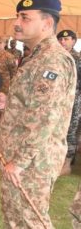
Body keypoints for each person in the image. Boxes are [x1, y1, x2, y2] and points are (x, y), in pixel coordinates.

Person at [0, 0, 76, 228]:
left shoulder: (52, 61)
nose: (17, 22)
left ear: (46, 24)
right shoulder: (35, 57)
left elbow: (45, 118)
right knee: (14, 219)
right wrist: (9, 101)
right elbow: (34, 104)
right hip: (19, 157)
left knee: (30, 221)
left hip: (32, 162)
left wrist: (20, 162)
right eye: (18, 16)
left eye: (25, 18)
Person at [56, 30, 81, 176]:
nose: (62, 42)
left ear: (73, 41)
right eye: (60, 39)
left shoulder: (77, 58)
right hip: (57, 100)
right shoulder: (57, 57)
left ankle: (67, 163)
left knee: (70, 131)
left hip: (73, 101)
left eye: (66, 39)